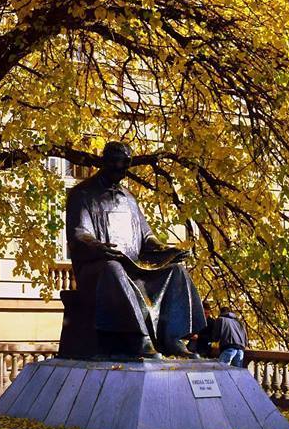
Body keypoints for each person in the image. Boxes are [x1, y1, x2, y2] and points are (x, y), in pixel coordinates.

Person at [64, 141, 207, 359]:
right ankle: (139, 338)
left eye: (124, 165)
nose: (119, 170)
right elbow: (79, 234)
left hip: (133, 269)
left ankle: (172, 338)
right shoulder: (82, 194)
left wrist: (165, 250)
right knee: (113, 269)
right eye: (114, 164)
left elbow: (146, 237)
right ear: (105, 162)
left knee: (176, 270)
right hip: (98, 270)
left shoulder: (129, 199)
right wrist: (99, 247)